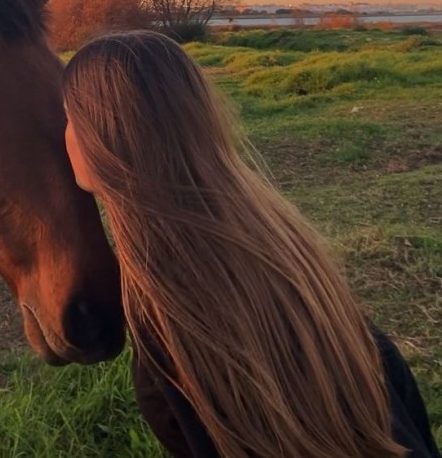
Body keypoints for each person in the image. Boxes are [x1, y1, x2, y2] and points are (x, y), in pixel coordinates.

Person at [62, 30, 440, 458]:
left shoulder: (176, 311)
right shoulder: (275, 240)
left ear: (106, 135)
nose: (64, 135)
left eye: (69, 117)